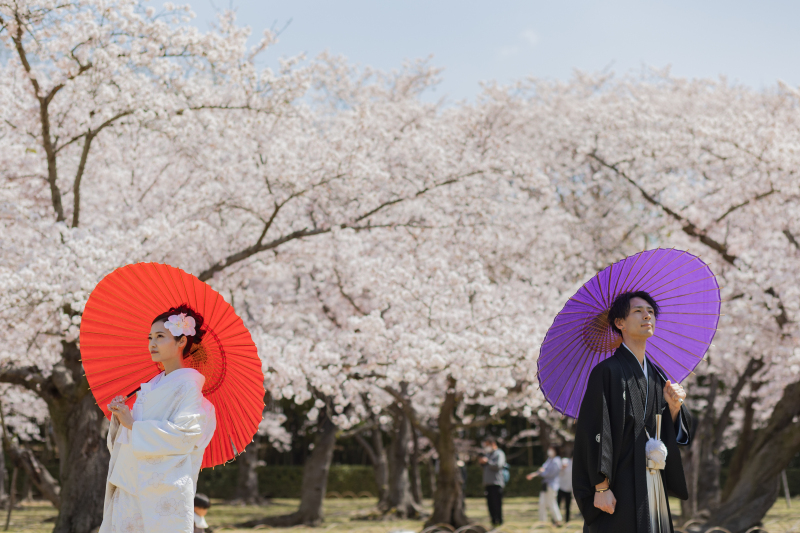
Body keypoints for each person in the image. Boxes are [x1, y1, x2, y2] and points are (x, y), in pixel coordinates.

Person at [572, 291, 693, 533]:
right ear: (620, 323)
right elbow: (595, 431)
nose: (647, 315)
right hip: (619, 482)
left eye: (650, 311)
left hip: (653, 478)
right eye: (638, 311)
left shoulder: (657, 376)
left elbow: (666, 433)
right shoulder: (606, 372)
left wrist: (674, 407)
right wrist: (601, 488)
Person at [100, 305, 217, 533]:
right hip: (129, 481)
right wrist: (121, 417)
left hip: (161, 490)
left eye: (160, 336)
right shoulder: (153, 384)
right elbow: (130, 434)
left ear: (181, 341)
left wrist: (133, 424)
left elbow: (185, 435)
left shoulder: (189, 384)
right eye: (150, 337)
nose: (152, 343)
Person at [526, 446, 563, 526]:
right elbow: (542, 470)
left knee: (551, 503)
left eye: (551, 449)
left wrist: (542, 472)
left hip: (552, 485)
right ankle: (542, 522)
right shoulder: (549, 460)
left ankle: (558, 520)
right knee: (542, 503)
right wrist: (533, 474)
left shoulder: (556, 461)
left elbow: (549, 474)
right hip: (545, 485)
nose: (549, 451)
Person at [478, 436, 506, 527]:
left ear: (493, 444)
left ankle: (500, 521)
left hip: (496, 483)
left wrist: (487, 462)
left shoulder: (499, 453)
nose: (486, 447)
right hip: (488, 483)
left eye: (487, 445)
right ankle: (493, 521)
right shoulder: (488, 454)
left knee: (497, 503)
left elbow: (498, 466)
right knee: (490, 504)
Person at [557, 452, 573, 523]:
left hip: (569, 489)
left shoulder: (578, 465)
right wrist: (562, 468)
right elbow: (558, 472)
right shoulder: (565, 461)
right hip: (561, 487)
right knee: (558, 505)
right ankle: (556, 520)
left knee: (567, 506)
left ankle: (567, 521)